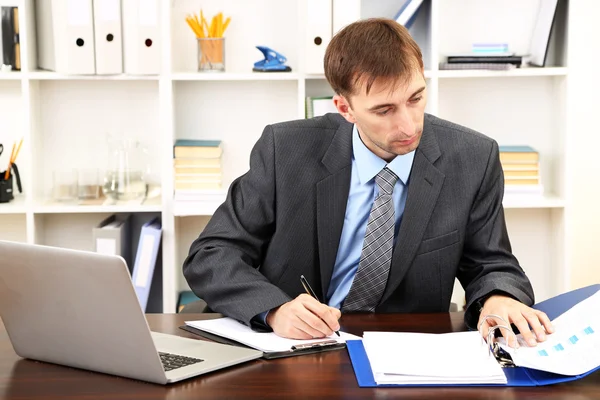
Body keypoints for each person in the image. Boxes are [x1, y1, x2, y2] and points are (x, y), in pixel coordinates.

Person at [183, 18, 553, 348]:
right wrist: (275, 309)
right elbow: (212, 254)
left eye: (416, 98)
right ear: (344, 108)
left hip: (405, 350)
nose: (408, 126)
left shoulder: (473, 157)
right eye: (384, 110)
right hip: (293, 351)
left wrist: (499, 296)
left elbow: (491, 264)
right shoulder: (286, 151)